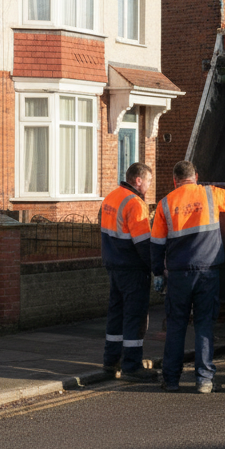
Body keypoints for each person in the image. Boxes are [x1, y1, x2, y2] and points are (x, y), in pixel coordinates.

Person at [151, 160, 225, 393]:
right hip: (207, 273)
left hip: (178, 275)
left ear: (175, 180)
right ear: (196, 176)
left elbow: (156, 245)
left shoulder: (165, 204)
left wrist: (157, 273)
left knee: (176, 326)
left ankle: (171, 380)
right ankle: (204, 380)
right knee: (205, 326)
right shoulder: (210, 194)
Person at [99, 162, 158, 381]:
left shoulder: (111, 198)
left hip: (114, 266)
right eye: (149, 181)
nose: (150, 186)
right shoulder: (135, 204)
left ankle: (110, 361)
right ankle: (132, 365)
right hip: (132, 269)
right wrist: (157, 268)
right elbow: (143, 243)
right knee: (134, 316)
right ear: (138, 180)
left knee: (116, 315)